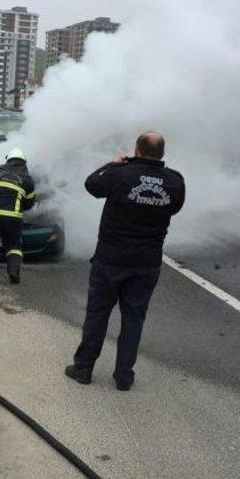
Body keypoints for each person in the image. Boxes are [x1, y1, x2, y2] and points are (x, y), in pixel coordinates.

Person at [65, 131, 185, 390]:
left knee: (97, 314)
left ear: (137, 150)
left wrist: (113, 163)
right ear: (162, 154)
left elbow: (91, 185)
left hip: (110, 259)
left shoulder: (120, 174)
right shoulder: (175, 181)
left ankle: (84, 368)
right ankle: (123, 377)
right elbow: (174, 207)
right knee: (133, 320)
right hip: (146, 263)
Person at [0, 148, 35, 284]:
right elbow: (29, 204)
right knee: (14, 245)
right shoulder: (28, 180)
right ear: (24, 162)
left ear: (8, 159)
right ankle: (13, 271)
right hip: (13, 217)